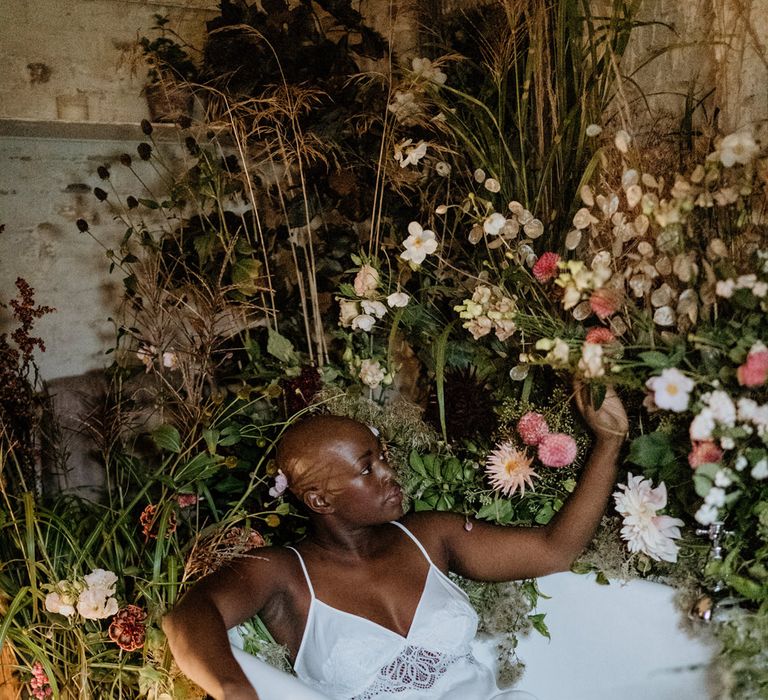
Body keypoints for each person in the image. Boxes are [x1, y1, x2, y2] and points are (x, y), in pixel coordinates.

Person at [163, 384, 629, 700]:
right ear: (320, 499)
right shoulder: (283, 573)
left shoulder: (431, 534)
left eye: (383, 455)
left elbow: (555, 550)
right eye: (367, 468)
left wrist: (609, 443)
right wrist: (232, 687)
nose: (389, 472)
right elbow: (188, 615)